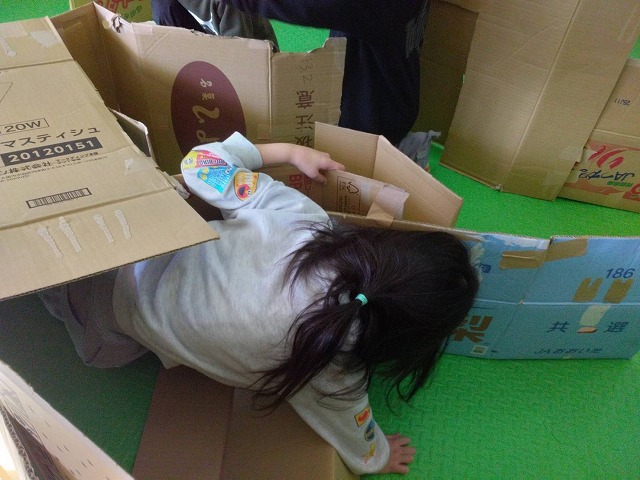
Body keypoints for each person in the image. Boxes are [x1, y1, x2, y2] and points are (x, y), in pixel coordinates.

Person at [38, 132, 479, 475]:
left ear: (382, 245)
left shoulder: (304, 222)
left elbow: (200, 165)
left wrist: (289, 151)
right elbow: (356, 434)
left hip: (125, 243)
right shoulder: (332, 367)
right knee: (95, 333)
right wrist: (379, 457)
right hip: (107, 317)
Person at [151, 0, 279, 50]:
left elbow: (241, 53)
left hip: (255, 52)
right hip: (213, 45)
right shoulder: (164, 7)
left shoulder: (228, 5)